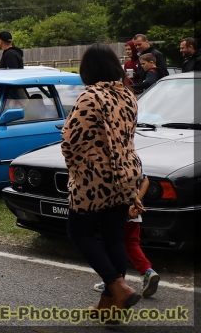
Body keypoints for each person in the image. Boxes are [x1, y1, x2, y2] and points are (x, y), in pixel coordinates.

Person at [61, 44, 143, 316]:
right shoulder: (128, 95)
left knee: (79, 232)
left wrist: (75, 167)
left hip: (95, 176)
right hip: (127, 172)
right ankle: (109, 308)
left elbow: (71, 139)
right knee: (114, 239)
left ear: (88, 69)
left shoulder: (90, 96)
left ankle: (118, 286)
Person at [93, 174, 160, 298]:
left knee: (112, 243)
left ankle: (112, 282)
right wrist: (137, 201)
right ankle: (147, 271)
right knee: (131, 243)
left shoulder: (115, 158)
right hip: (135, 209)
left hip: (117, 210)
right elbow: (145, 180)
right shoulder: (134, 158)